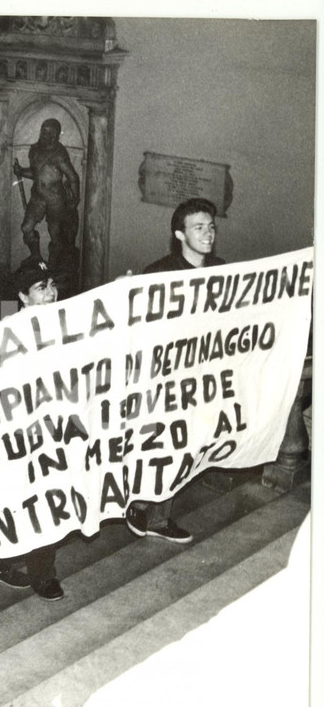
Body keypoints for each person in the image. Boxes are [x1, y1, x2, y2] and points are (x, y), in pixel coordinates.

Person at [124, 198, 223, 543]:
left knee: (186, 444)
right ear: (179, 234)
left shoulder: (223, 271)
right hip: (165, 374)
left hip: (203, 373)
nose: (208, 234)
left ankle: (155, 513)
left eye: (211, 227)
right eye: (199, 228)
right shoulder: (159, 273)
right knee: (162, 443)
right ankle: (143, 507)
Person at [0, 257, 65, 601]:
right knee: (14, 499)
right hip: (17, 431)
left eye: (52, 285)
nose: (50, 293)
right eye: (41, 288)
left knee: (46, 498)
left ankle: (43, 573)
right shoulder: (6, 334)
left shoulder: (64, 323)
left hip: (53, 428)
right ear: (23, 297)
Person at [12, 118, 81, 277]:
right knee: (26, 228)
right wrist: (21, 171)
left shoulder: (59, 153)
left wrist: (75, 199)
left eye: (50, 132)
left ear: (56, 134)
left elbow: (73, 177)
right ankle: (36, 256)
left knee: (55, 235)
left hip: (55, 199)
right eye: (44, 130)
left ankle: (52, 268)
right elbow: (36, 174)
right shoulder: (35, 150)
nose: (46, 135)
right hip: (38, 197)